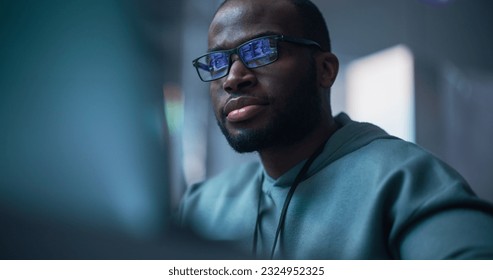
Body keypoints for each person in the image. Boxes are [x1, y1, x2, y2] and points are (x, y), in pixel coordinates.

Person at [179, 0, 493, 259]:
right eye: (217, 62)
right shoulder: (202, 204)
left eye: (262, 49)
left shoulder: (406, 181)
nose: (233, 78)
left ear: (325, 70)